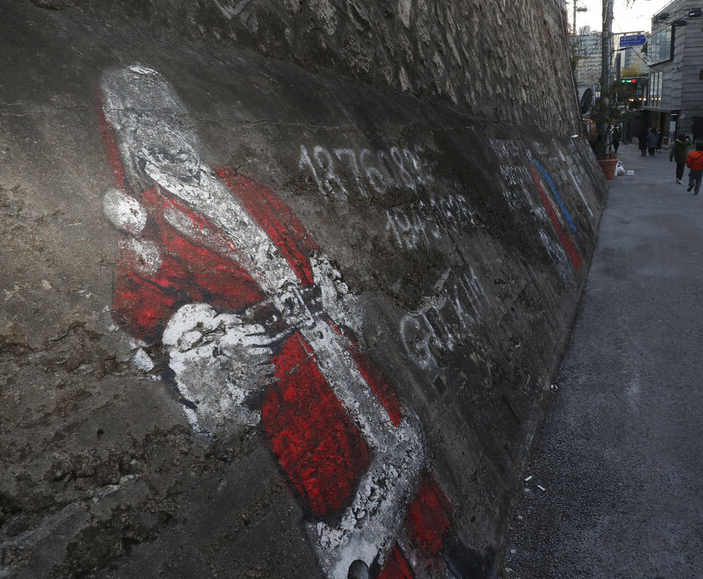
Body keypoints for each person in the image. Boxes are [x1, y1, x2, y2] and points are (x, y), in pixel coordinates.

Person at [98, 65, 451, 576]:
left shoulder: (243, 186)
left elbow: (306, 247)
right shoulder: (148, 235)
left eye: (168, 117)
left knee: (400, 446)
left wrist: (330, 290)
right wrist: (213, 346)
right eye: (146, 122)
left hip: (336, 348)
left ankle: (443, 552)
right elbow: (149, 322)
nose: (164, 132)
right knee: (345, 497)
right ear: (129, 134)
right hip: (289, 386)